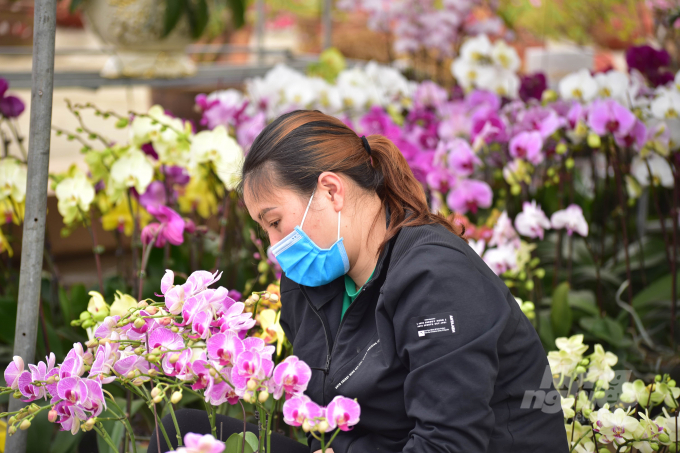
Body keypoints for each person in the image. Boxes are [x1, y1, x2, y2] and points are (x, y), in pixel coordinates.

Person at [152, 109, 569, 453]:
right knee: (180, 430)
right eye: (266, 230)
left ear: (332, 191)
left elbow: (449, 443)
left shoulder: (436, 278)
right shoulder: (311, 284)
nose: (275, 246)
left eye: (275, 222)